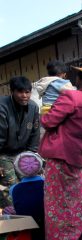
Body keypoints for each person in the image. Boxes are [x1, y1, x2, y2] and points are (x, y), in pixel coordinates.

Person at [37, 61, 82, 240]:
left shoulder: (71, 96)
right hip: (81, 155)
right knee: (77, 198)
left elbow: (49, 121)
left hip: (60, 154)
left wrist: (45, 112)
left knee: (55, 200)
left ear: (80, 78)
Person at [0, 76, 40, 208]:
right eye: (20, 92)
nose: (24, 96)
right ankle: (15, 218)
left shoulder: (34, 107)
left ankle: (34, 216)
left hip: (23, 152)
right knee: (10, 186)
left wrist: (31, 157)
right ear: (12, 91)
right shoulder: (2, 106)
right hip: (3, 154)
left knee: (32, 183)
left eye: (27, 92)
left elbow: (35, 134)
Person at [8, 152, 45, 240]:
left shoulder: (14, 189)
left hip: (27, 235)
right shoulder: (48, 185)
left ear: (17, 169)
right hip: (47, 233)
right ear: (40, 166)